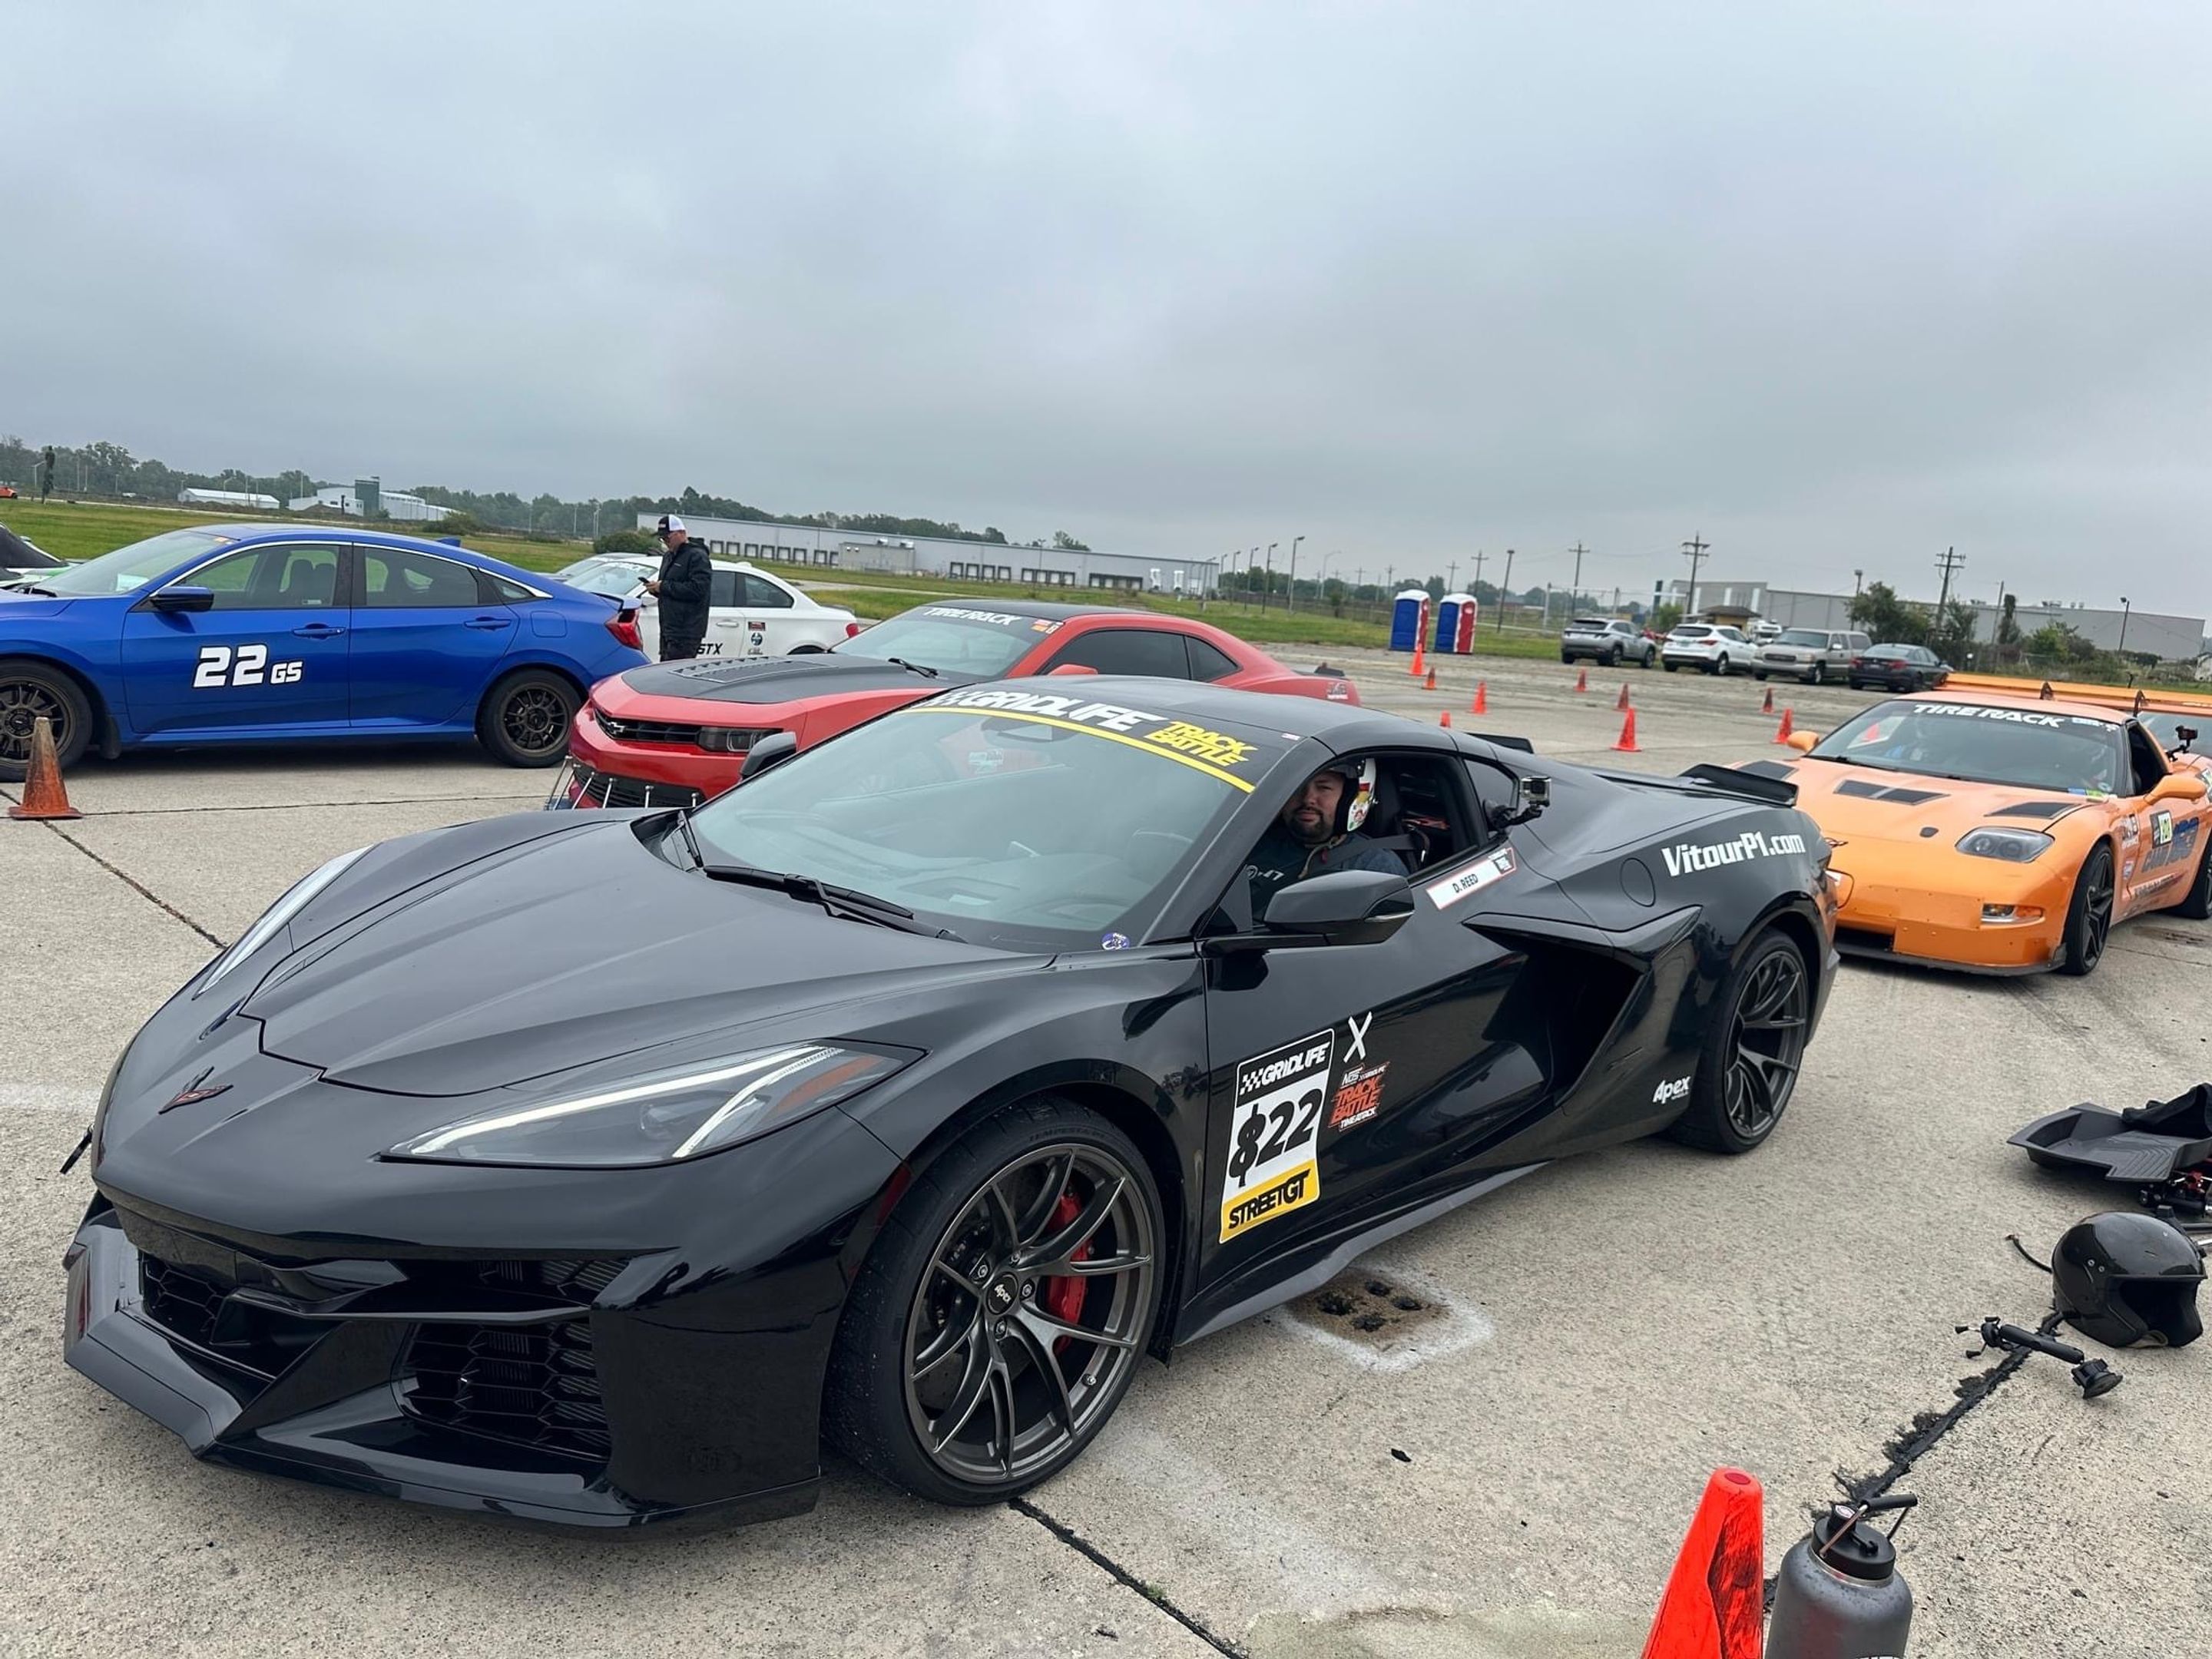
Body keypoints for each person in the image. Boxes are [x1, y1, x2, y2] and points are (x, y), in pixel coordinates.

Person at [1243, 759, 1408, 914]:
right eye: (1298, 786)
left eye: (1323, 788)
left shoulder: (1375, 867)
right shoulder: (1252, 841)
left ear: (1350, 798)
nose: (1308, 799)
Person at [646, 513, 712, 661]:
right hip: (668, 627)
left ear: (681, 534)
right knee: (664, 671)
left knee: (675, 675)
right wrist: (656, 589)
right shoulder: (668, 556)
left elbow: (698, 589)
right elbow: (669, 588)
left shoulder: (697, 556)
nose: (665, 541)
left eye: (667, 537)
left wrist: (663, 587)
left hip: (686, 630)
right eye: (661, 538)